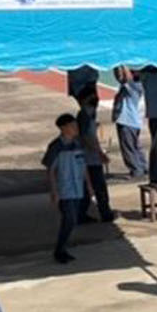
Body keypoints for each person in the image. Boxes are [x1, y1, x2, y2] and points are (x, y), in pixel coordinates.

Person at [42, 113, 88, 264]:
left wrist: (89, 185)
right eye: (73, 126)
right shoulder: (56, 147)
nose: (76, 129)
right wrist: (54, 191)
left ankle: (62, 249)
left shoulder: (78, 144)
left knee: (72, 220)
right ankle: (59, 249)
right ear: (63, 128)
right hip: (65, 189)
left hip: (77, 188)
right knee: (69, 219)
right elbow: (51, 170)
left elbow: (83, 166)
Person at [73, 85, 116, 224]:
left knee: (90, 188)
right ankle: (105, 213)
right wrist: (98, 152)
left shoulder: (88, 115)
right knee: (98, 187)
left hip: (91, 156)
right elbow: (86, 137)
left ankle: (82, 213)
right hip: (90, 157)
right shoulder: (85, 116)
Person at [112, 66, 146, 180]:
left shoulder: (134, 86)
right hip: (133, 121)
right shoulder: (133, 86)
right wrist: (117, 65)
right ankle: (142, 166)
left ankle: (136, 169)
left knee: (128, 147)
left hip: (128, 121)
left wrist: (123, 62)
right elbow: (120, 77)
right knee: (135, 145)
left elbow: (126, 77)